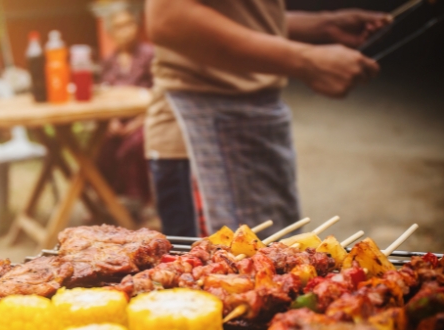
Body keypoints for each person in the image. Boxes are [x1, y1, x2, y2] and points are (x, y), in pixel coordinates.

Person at [144, 1, 391, 237]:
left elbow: (239, 16)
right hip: (202, 134)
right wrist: (307, 60)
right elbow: (168, 18)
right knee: (218, 275)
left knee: (278, 270)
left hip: (254, 126)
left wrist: (323, 26)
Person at [96, 5, 154, 221]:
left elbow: (159, 94)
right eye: (119, 27)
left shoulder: (149, 55)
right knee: (100, 147)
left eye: (129, 24)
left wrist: (138, 122)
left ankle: (136, 202)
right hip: (116, 121)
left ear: (137, 26)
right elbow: (103, 94)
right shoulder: (108, 62)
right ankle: (108, 200)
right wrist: (110, 121)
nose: (125, 31)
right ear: (111, 32)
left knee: (134, 145)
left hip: (145, 119)